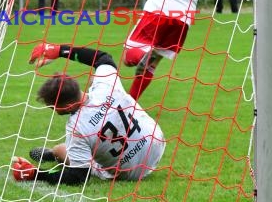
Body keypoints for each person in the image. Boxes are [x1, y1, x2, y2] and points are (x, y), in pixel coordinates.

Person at [11, 43, 166, 185]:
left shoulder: (76, 127)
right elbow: (103, 58)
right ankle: (55, 153)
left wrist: (36, 174)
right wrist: (60, 50)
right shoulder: (106, 84)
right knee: (96, 77)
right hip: (156, 143)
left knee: (61, 150)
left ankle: (53, 154)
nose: (53, 111)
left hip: (130, 172)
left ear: (69, 105)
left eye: (54, 107)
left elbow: (78, 177)